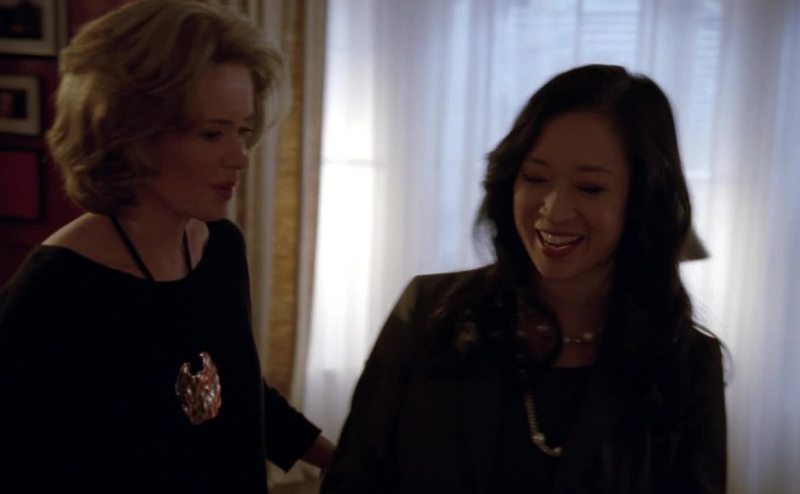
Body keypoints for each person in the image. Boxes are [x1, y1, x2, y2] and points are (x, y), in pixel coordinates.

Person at [321, 64, 726, 493]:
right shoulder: (430, 311)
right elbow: (354, 478)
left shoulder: (686, 362)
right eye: (535, 178)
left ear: (641, 201)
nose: (553, 210)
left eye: (589, 188)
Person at [0, 1, 333, 491]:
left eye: (242, 131)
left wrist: (343, 460)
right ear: (129, 132)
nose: (240, 157)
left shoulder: (219, 246)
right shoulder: (55, 290)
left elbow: (234, 389)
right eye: (212, 133)